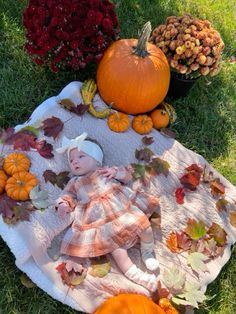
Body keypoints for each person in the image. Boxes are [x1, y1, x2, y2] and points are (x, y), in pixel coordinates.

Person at [55, 132, 160, 292]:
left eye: (81, 156)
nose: (74, 161)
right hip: (100, 223)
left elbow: (127, 176)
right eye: (71, 160)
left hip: (122, 211)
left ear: (97, 160)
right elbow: (67, 195)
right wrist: (63, 204)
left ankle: (147, 252)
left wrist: (116, 172)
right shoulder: (74, 182)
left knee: (145, 227)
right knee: (117, 251)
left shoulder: (105, 171)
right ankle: (140, 277)